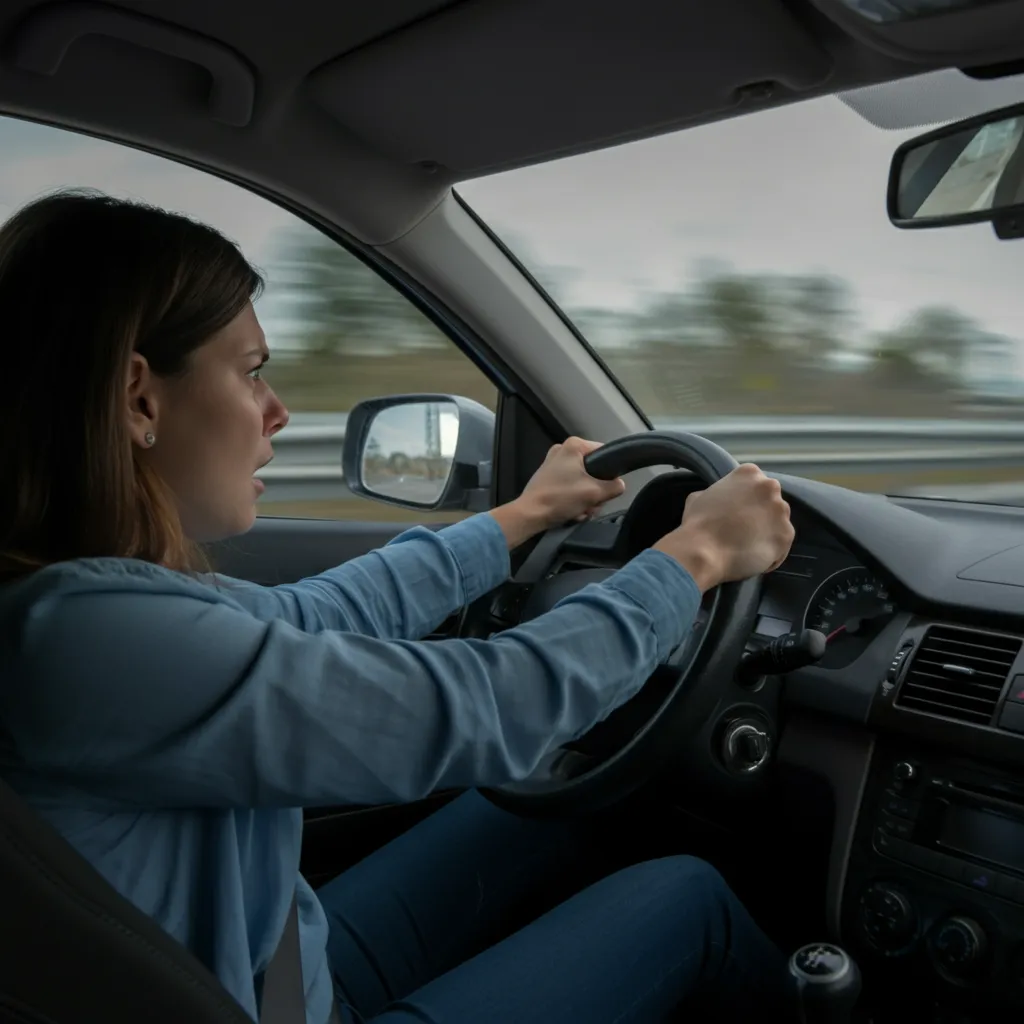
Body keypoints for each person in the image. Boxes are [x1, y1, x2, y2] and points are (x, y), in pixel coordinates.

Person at [0, 190, 796, 1024]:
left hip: (268, 968)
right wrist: (696, 557)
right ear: (140, 398)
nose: (278, 412)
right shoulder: (80, 640)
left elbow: (310, 619)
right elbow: (487, 707)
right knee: (688, 899)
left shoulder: (75, 602)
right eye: (251, 371)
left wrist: (522, 518)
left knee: (570, 809)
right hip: (264, 1001)